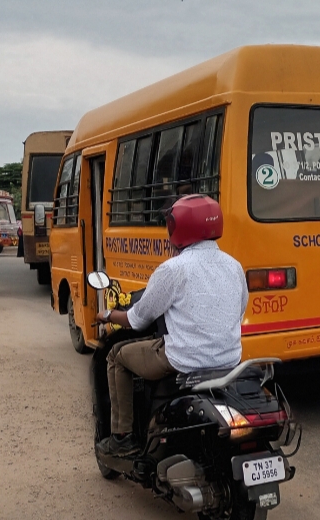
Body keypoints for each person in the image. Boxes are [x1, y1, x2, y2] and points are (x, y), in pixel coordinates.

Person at [97, 194, 248, 457]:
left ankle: (122, 438)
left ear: (177, 227)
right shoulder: (234, 266)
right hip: (228, 360)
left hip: (184, 360)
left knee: (116, 356)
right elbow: (239, 310)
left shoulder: (173, 269)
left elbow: (137, 319)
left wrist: (108, 315)